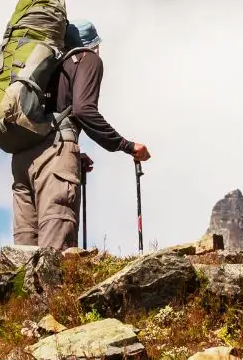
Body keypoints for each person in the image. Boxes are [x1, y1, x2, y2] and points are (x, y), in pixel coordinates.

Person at [10, 19, 151, 249]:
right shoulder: (87, 58)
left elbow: (50, 116)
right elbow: (83, 109)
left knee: (24, 253)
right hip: (55, 160)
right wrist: (127, 145)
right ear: (92, 44)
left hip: (22, 160)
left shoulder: (48, 69)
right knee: (54, 255)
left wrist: (73, 153)